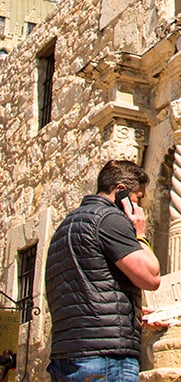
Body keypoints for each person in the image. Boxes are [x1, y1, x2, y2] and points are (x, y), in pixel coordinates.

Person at [45, 160, 161, 382]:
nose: (140, 206)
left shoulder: (65, 227)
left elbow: (88, 289)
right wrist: (139, 232)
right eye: (138, 197)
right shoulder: (109, 219)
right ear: (120, 192)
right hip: (105, 359)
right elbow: (151, 277)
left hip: (66, 356)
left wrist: (133, 313)